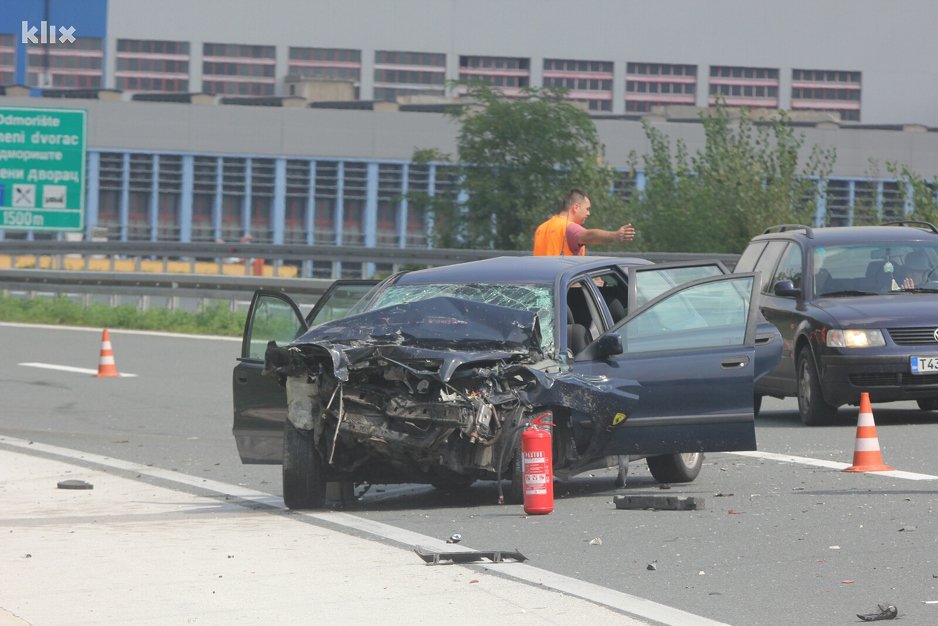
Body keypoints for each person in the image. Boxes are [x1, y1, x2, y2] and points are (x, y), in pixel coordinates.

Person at [532, 189, 635, 256]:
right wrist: (615, 235)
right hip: (565, 283)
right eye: (587, 209)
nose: (588, 213)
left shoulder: (541, 228)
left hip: (542, 282)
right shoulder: (569, 228)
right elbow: (589, 236)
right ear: (576, 207)